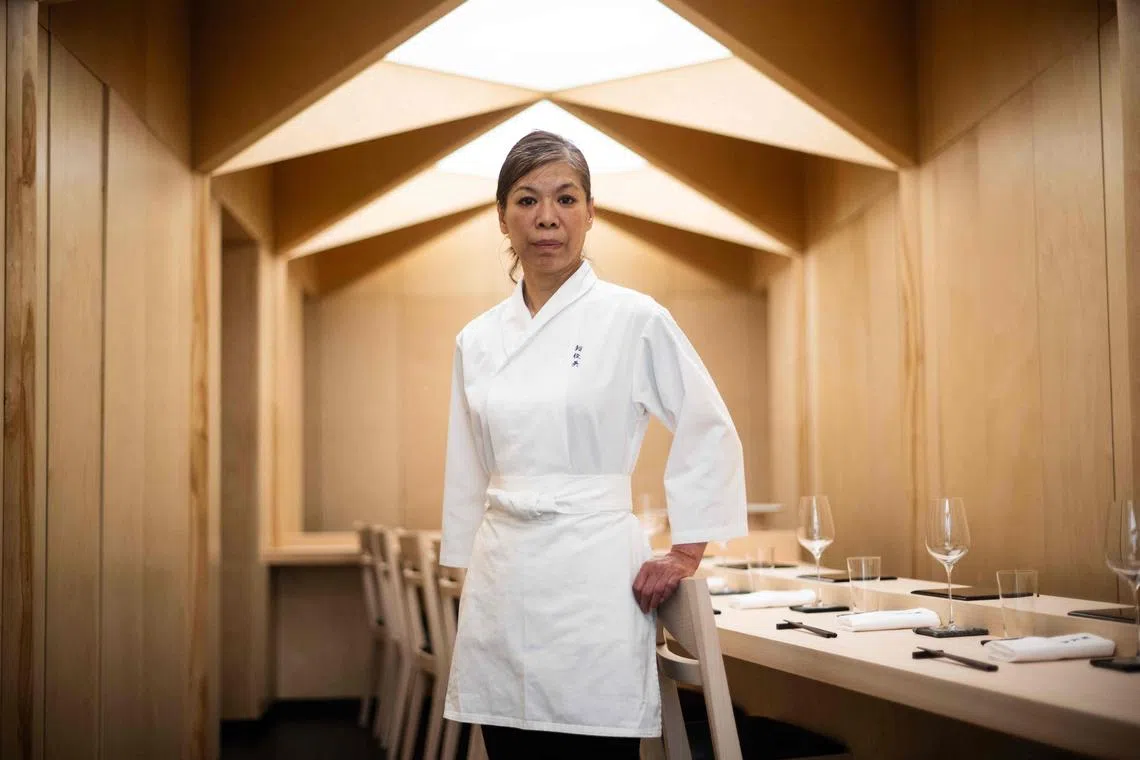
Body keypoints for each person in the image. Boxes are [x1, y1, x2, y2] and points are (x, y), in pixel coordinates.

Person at [439, 129, 747, 759]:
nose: (546, 217)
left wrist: (687, 550)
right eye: (526, 200)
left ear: (590, 213)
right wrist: (468, 569)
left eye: (565, 198)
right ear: (502, 216)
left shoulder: (634, 318)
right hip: (504, 578)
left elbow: (707, 423)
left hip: (594, 576)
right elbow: (466, 465)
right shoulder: (477, 339)